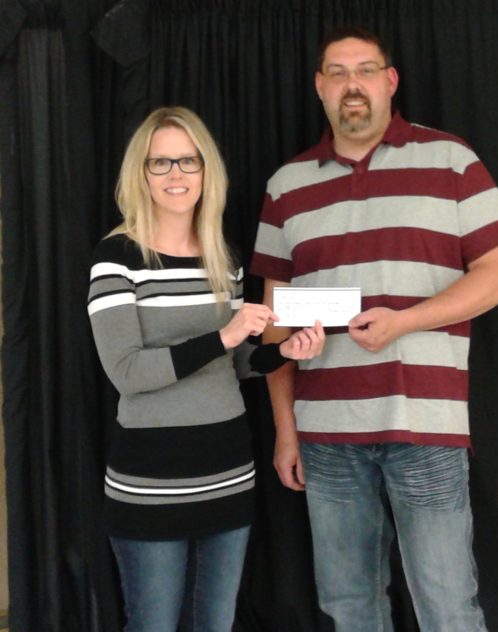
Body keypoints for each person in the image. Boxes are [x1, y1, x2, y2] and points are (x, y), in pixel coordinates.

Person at [251, 26, 498, 632]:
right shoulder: (286, 186)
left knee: (447, 607)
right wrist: (286, 431)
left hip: (424, 424)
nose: (352, 84)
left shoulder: (451, 159)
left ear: (390, 81)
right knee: (348, 606)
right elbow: (271, 323)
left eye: (366, 70)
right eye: (338, 72)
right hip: (325, 436)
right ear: (319, 86)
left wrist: (404, 322)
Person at [87, 106, 323, 632]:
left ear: (206, 169)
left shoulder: (222, 256)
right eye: (160, 162)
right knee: (153, 624)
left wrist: (285, 351)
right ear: (141, 173)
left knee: (215, 623)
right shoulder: (116, 257)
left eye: (188, 161)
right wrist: (223, 335)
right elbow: (127, 372)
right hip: (151, 481)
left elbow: (234, 365)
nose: (176, 175)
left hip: (227, 473)